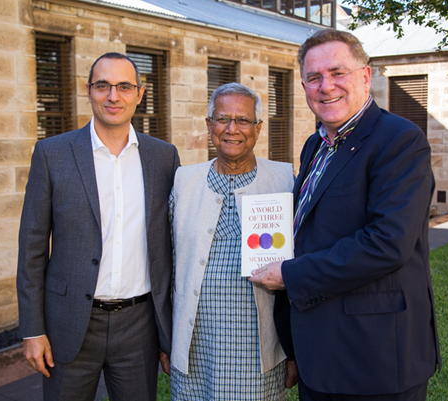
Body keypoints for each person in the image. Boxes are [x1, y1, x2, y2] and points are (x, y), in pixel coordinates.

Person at [250, 29, 441, 400]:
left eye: (338, 73)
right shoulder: (315, 144)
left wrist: (290, 273)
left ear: (366, 76)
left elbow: (387, 244)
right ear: (303, 85)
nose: (326, 86)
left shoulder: (398, 140)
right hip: (320, 351)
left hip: (375, 355)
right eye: (314, 77)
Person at [16, 52, 180, 401]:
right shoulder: (52, 154)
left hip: (139, 327)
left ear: (140, 92)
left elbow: (170, 244)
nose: (113, 96)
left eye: (124, 86)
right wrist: (32, 330)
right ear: (88, 90)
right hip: (69, 323)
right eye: (102, 85)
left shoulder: (164, 157)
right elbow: (31, 246)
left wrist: (168, 330)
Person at [169, 83, 297, 400]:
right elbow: (167, 261)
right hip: (197, 344)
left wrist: (294, 350)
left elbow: (302, 264)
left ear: (258, 128)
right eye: (222, 119)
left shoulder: (284, 180)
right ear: (208, 125)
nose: (231, 129)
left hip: (258, 348)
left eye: (242, 120)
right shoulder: (184, 180)